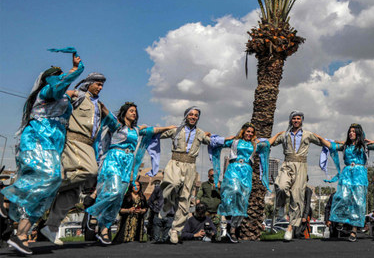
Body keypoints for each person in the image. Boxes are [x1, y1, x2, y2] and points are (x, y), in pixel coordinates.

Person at [2, 51, 84, 255]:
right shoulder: (48, 90)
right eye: (59, 75)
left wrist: (71, 95)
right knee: (50, 176)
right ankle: (6, 199)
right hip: (38, 139)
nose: (61, 79)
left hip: (52, 144)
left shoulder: (59, 95)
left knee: (45, 190)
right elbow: (57, 89)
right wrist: (75, 69)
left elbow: (62, 98)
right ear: (50, 77)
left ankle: (20, 236)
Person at [85, 102, 173, 244]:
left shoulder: (137, 130)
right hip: (114, 158)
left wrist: (168, 128)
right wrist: (97, 102)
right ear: (124, 112)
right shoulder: (116, 125)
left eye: (135, 112)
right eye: (131, 111)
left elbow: (153, 129)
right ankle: (93, 212)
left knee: (119, 196)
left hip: (127, 163)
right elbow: (106, 112)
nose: (134, 113)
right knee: (113, 191)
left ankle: (104, 229)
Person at [41, 72, 108, 245]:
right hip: (74, 141)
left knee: (72, 194)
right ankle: (50, 185)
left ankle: (51, 228)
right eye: (98, 84)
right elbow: (58, 100)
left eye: (102, 85)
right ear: (89, 83)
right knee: (89, 170)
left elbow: (111, 122)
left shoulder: (98, 105)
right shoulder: (78, 96)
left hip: (89, 145)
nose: (100, 87)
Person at [317, 124, 374, 242]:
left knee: (358, 202)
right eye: (350, 131)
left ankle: (354, 230)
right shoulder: (345, 146)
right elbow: (331, 145)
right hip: (347, 173)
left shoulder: (365, 146)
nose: (351, 133)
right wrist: (317, 137)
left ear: (358, 133)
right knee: (342, 196)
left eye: (353, 131)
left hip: (359, 174)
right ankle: (340, 220)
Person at [159, 106, 212, 244]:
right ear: (186, 116)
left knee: (185, 199)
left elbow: (213, 142)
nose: (193, 117)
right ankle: (166, 204)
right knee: (172, 183)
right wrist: (161, 128)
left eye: (196, 115)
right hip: (175, 162)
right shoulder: (176, 130)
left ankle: (175, 230)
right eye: (191, 114)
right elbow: (156, 135)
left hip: (190, 166)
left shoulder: (200, 133)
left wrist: (233, 139)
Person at [271, 111, 324, 241]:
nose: (296, 120)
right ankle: (281, 205)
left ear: (301, 120)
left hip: (301, 165)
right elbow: (269, 143)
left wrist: (339, 144)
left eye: (298, 118)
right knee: (281, 186)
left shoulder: (307, 134)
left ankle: (290, 227)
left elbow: (323, 142)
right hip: (288, 163)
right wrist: (277, 134)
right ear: (291, 120)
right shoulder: (285, 135)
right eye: (294, 118)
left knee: (297, 196)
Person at [215, 123, 271, 243]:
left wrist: (278, 134)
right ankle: (225, 221)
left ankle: (233, 230)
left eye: (252, 132)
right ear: (243, 132)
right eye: (248, 131)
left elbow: (268, 143)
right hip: (234, 169)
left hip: (246, 171)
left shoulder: (254, 144)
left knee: (242, 199)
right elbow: (218, 143)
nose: (249, 134)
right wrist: (211, 137)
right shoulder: (235, 142)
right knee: (233, 191)